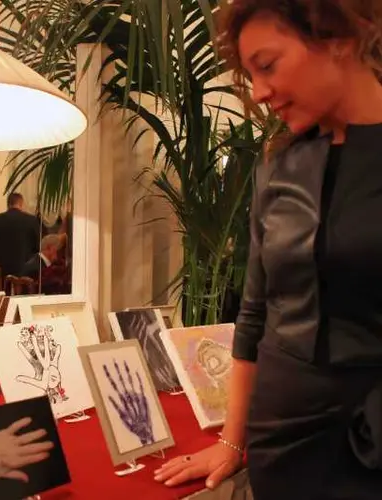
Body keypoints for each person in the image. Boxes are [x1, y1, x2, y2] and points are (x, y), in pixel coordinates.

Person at [154, 2, 382, 499]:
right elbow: (255, 314)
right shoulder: (278, 168)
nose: (257, 93)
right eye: (251, 74)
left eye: (268, 65)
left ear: (340, 38)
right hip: (280, 443)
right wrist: (231, 444)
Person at [0, 193, 40, 279]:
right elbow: (37, 246)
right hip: (24, 268)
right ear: (21, 204)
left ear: (8, 204)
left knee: (2, 287)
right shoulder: (31, 220)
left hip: (2, 267)